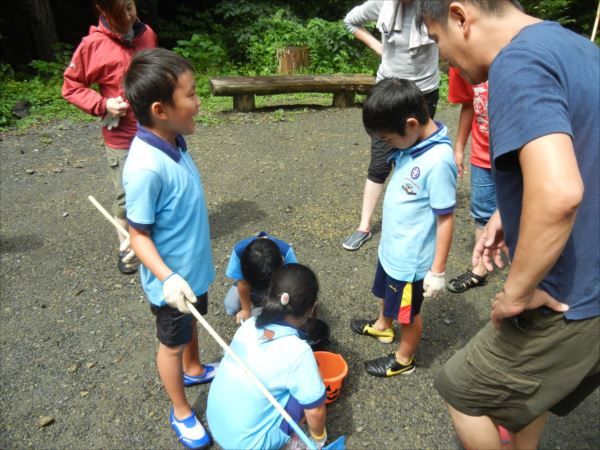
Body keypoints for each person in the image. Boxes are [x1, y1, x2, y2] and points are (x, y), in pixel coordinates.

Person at [417, 1, 600, 448]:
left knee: (462, 392)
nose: (441, 57)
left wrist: (514, 293)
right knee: (526, 394)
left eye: (437, 38)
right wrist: (510, 208)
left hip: (571, 297)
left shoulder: (516, 63)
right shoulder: (578, 47)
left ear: (460, 17)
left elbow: (559, 195)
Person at [122, 48, 219, 450]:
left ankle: (193, 368)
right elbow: (138, 235)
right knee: (172, 342)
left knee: (193, 320)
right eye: (191, 95)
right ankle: (181, 410)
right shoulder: (145, 167)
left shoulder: (175, 140)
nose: (199, 103)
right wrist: (168, 278)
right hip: (172, 281)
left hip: (193, 268)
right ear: (161, 109)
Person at [350, 78, 456, 377]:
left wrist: (437, 272)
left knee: (408, 314)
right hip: (393, 249)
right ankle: (384, 326)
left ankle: (404, 359)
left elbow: (446, 218)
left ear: (411, 124)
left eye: (388, 139)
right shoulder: (415, 144)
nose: (387, 145)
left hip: (411, 260)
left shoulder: (438, 161)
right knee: (385, 292)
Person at [63, 0, 157, 275]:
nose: (131, 16)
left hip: (154, 130)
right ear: (103, 11)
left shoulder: (147, 34)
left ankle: (153, 241)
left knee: (156, 185)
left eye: (131, 6)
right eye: (122, 12)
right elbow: (71, 87)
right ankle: (127, 248)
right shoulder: (92, 45)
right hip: (122, 136)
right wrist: (103, 104)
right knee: (126, 196)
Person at [342, 0, 439, 251]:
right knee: (380, 159)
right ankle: (364, 226)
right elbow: (350, 21)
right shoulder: (381, 4)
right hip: (389, 92)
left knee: (417, 156)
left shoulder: (436, 5)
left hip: (423, 93)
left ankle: (410, 216)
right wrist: (377, 45)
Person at [207, 263, 327, 450]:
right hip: (249, 444)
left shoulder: (249, 325)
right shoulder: (298, 352)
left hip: (216, 421)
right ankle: (294, 442)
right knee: (312, 387)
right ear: (311, 308)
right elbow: (316, 411)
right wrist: (319, 439)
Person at [446, 66, 495, 293]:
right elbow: (468, 105)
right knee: (482, 209)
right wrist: (458, 148)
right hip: (482, 154)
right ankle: (480, 269)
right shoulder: (460, 65)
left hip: (521, 155)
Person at [223, 231, 298, 324]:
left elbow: (291, 284)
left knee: (260, 315)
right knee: (231, 306)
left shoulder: (286, 253)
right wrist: (246, 310)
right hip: (249, 282)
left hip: (276, 286)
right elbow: (243, 283)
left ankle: (264, 308)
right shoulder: (239, 252)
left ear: (281, 262)